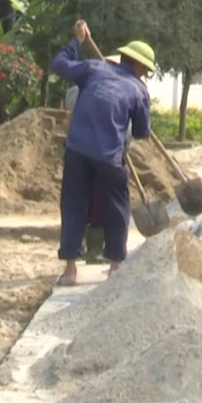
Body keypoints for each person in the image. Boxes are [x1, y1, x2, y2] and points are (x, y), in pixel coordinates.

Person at [50, 20, 153, 285]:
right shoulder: (139, 90)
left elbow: (59, 64)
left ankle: (70, 271)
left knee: (73, 206)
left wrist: (77, 41)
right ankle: (115, 267)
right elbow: (142, 132)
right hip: (109, 156)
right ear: (140, 67)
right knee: (118, 208)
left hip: (77, 150)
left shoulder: (94, 69)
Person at [65, 54, 137, 264]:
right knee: (95, 202)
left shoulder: (121, 88)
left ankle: (91, 249)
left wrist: (125, 147)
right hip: (100, 153)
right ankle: (93, 249)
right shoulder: (90, 84)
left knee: (93, 202)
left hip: (90, 150)